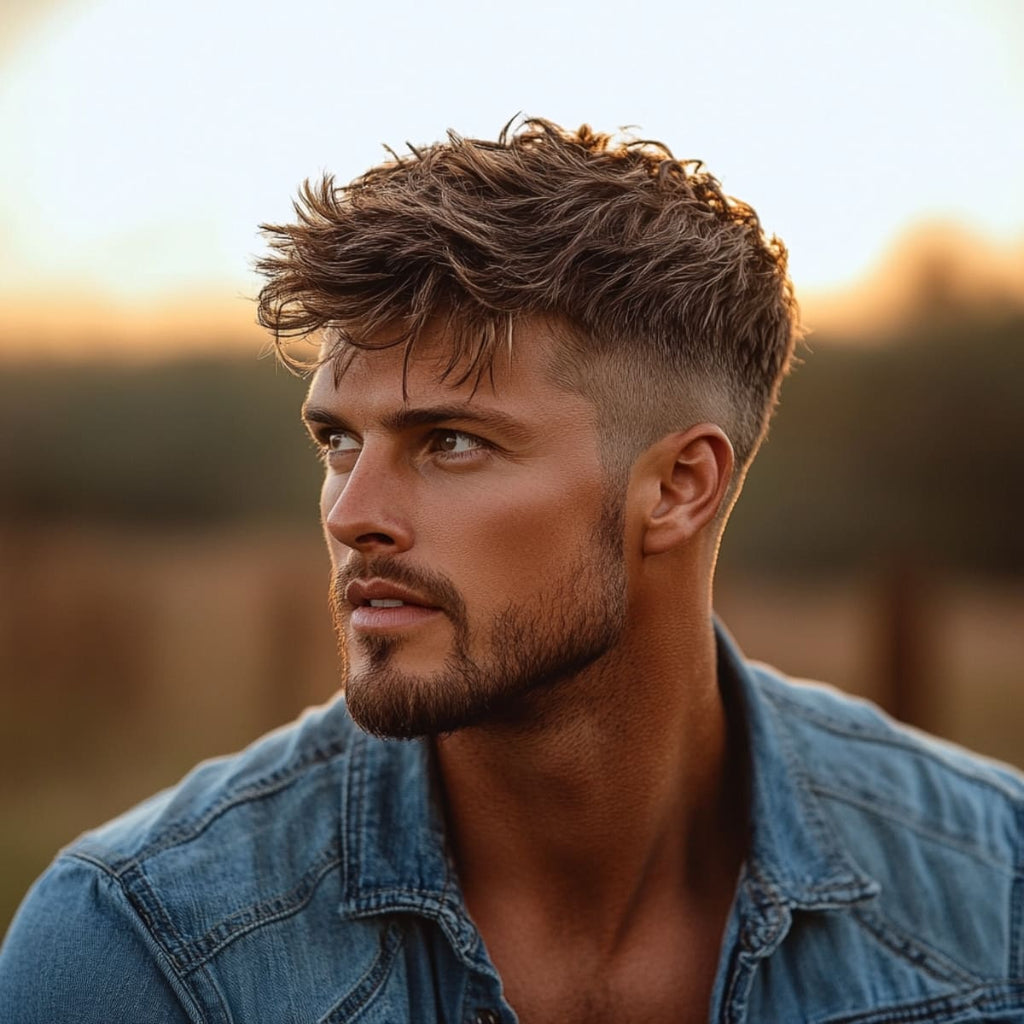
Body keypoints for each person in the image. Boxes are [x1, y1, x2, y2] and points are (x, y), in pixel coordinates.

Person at [1, 118, 1022, 1024]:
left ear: (678, 487)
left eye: (450, 442)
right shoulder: (143, 950)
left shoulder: (997, 889)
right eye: (338, 441)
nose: (352, 515)